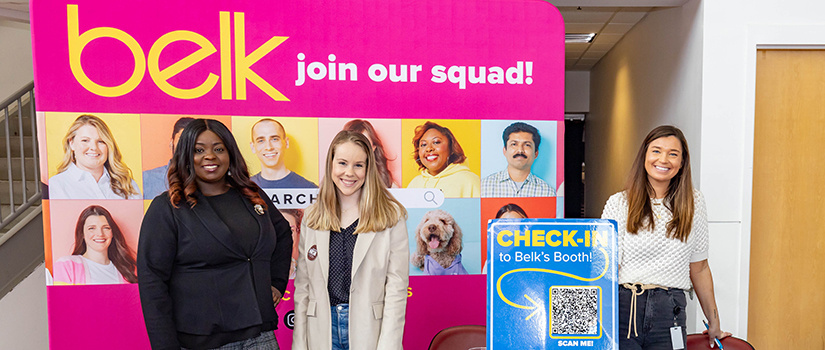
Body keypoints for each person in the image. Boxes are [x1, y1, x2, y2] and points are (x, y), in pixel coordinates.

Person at [137, 119, 293, 350]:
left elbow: (282, 235)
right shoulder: (168, 207)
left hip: (260, 335)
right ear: (185, 156)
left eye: (218, 148)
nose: (210, 156)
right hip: (203, 341)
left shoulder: (251, 194)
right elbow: (152, 282)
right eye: (198, 150)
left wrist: (277, 283)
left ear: (230, 153)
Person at [601, 125, 731, 349]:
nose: (664, 159)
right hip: (623, 309)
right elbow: (603, 267)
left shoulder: (694, 203)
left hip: (670, 311)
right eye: (656, 151)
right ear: (645, 156)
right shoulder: (619, 203)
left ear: (681, 163)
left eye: (673, 154)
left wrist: (714, 323)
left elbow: (699, 268)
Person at [293, 131, 409, 350]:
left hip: (369, 332)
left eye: (358, 165)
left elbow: (396, 288)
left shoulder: (391, 215)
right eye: (342, 163)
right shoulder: (312, 216)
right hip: (321, 331)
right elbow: (303, 288)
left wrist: (389, 345)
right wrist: (300, 344)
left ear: (368, 169)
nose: (349, 173)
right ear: (331, 165)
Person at [49, 114, 141, 199]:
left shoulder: (128, 185)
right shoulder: (56, 185)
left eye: (101, 141)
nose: (94, 148)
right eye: (85, 140)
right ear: (72, 143)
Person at [53, 205, 137, 285]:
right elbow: (60, 300)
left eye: (106, 228)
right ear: (82, 234)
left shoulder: (128, 270)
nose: (100, 234)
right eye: (92, 228)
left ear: (112, 233)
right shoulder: (67, 265)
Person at [481, 122, 555, 197]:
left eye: (527, 145)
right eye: (514, 144)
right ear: (505, 151)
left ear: (536, 153)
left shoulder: (547, 193)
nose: (520, 150)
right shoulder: (484, 187)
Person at [407, 121, 480, 197]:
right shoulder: (414, 184)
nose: (429, 148)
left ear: (451, 148)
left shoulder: (470, 181)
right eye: (424, 144)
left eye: (436, 142)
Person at [249, 118, 317, 188]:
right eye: (261, 141)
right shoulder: (243, 189)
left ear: (286, 143)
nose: (269, 147)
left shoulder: (309, 189)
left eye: (274, 139)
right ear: (253, 147)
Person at [143, 117, 193, 199]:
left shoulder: (208, 181)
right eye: (181, 140)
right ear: (171, 143)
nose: (185, 147)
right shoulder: (147, 179)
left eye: (190, 141)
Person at [343, 119, 399, 188]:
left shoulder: (389, 185)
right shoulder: (338, 180)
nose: (359, 150)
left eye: (365, 144)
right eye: (356, 144)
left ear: (374, 148)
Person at [279, 208, 303, 279]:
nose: (285, 234)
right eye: (279, 229)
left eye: (291, 230)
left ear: (297, 231)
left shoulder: (305, 269)